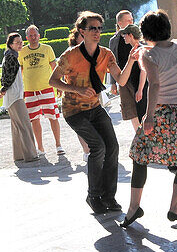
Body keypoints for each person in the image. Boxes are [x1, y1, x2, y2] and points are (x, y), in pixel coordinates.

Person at [119, 10, 177, 228]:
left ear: (145, 33)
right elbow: (172, 46)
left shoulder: (148, 56)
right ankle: (174, 208)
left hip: (162, 110)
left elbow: (155, 84)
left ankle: (134, 207)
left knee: (140, 155)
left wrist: (149, 115)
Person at [50, 11, 133, 214]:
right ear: (82, 31)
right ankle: (93, 195)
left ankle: (109, 196)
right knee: (98, 148)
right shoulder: (70, 56)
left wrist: (131, 59)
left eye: (99, 28)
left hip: (95, 108)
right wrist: (77, 89)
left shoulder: (106, 55)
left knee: (112, 146)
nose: (97, 32)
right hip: (74, 110)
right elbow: (52, 81)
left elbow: (121, 80)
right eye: (92, 28)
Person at [20, 25, 63, 156]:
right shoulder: (22, 51)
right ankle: (40, 148)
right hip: (29, 90)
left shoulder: (47, 49)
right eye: (30, 36)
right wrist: (20, 89)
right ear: (27, 38)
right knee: (34, 119)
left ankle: (58, 145)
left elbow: (54, 67)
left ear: (39, 36)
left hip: (46, 88)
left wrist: (59, 85)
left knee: (53, 117)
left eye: (35, 35)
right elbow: (20, 71)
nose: (33, 38)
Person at [0, 32, 39, 164]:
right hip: (15, 95)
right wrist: (4, 88)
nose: (21, 44)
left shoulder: (9, 56)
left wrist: (3, 88)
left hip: (13, 95)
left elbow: (5, 76)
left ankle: (20, 155)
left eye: (21, 42)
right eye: (18, 42)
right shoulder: (11, 57)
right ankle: (30, 154)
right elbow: (8, 76)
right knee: (25, 125)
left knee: (17, 126)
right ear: (11, 44)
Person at [118, 24, 148, 125]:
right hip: (139, 86)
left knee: (143, 116)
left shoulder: (139, 49)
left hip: (142, 87)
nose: (123, 38)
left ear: (130, 35)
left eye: (124, 35)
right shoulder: (137, 48)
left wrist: (140, 89)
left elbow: (143, 70)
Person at [111, 9, 134, 99]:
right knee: (127, 107)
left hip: (139, 77)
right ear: (120, 23)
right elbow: (112, 62)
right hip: (123, 79)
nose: (131, 22)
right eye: (128, 20)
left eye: (132, 20)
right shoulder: (113, 41)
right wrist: (113, 83)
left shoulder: (139, 37)